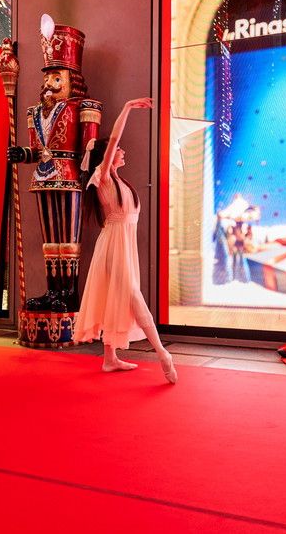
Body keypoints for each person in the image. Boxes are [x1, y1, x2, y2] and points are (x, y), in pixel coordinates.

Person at [73, 98, 177, 383]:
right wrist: (128, 107)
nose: (122, 150)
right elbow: (114, 138)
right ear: (107, 155)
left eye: (118, 149)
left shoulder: (118, 181)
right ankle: (163, 354)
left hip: (122, 246)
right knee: (133, 296)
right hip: (113, 247)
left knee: (117, 298)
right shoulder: (103, 177)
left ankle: (110, 359)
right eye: (117, 149)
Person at [7, 14, 102, 313]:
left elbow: (89, 146)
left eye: (57, 78)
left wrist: (90, 165)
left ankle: (69, 293)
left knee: (68, 238)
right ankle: (53, 291)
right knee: (49, 239)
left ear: (72, 80)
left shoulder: (84, 106)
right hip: (42, 177)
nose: (49, 84)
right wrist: (22, 153)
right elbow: (37, 150)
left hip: (71, 175)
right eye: (47, 78)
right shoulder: (35, 112)